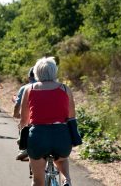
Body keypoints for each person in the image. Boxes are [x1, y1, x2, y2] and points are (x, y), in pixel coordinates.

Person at [19, 57, 75, 186]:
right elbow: (72, 115)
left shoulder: (29, 89)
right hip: (61, 136)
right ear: (54, 71)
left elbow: (23, 119)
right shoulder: (65, 89)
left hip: (38, 137)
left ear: (37, 72)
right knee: (61, 159)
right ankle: (67, 180)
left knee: (38, 180)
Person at [13, 67, 36, 160]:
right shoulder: (52, 87)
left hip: (30, 117)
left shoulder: (25, 88)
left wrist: (15, 114)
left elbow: (17, 105)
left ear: (29, 77)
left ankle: (24, 148)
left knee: (23, 124)